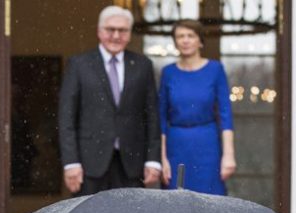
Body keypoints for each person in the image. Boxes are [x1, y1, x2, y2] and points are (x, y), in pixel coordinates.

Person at [59, 5, 162, 195]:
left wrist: (153, 159)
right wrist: (71, 162)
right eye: (110, 30)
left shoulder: (142, 65)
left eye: (122, 30)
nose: (116, 36)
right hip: (89, 164)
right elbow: (66, 118)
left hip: (132, 163)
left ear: (130, 34)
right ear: (99, 31)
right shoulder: (79, 64)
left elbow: (152, 115)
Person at [158, 19, 235, 194]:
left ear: (200, 41)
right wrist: (162, 158)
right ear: (175, 42)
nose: (185, 40)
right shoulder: (168, 73)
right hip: (175, 146)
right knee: (175, 203)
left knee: (211, 203)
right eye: (180, 36)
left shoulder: (215, 70)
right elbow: (161, 118)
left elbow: (225, 114)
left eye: (190, 36)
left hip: (207, 146)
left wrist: (229, 155)